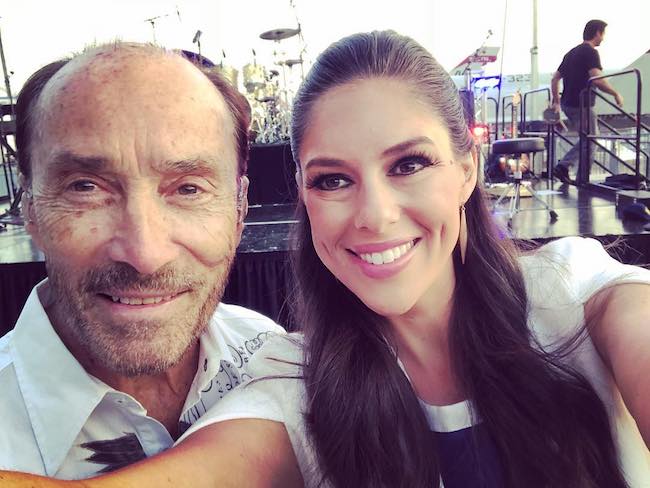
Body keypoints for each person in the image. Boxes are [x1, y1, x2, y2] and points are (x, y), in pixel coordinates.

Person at [2, 30, 649, 488]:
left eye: (409, 164)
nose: (373, 214)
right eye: (333, 179)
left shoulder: (576, 295)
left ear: (467, 167)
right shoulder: (295, 379)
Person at [0, 43, 286, 480]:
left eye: (188, 189)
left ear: (241, 207)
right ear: (31, 208)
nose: (145, 255)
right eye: (86, 187)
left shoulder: (269, 356)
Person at [551, 19, 624, 184]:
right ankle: (570, 171)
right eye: (603, 34)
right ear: (597, 32)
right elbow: (597, 79)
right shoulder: (590, 52)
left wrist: (556, 103)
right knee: (591, 140)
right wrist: (615, 93)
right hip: (582, 104)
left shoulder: (571, 53)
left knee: (587, 140)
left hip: (568, 104)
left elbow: (555, 79)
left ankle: (576, 176)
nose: (603, 38)